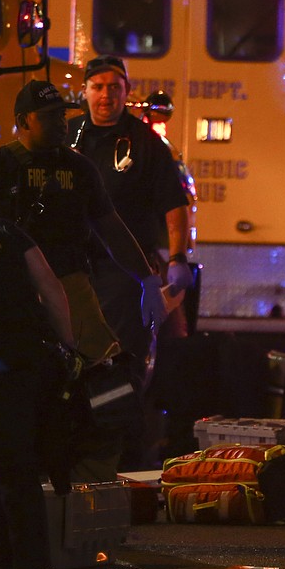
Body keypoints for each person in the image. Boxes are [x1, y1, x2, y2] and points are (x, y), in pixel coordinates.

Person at [0, 79, 167, 481]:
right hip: (13, 299)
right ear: (23, 121)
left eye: (64, 114)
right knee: (21, 387)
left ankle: (92, 485)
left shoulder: (78, 169)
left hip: (73, 288)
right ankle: (18, 482)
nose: (62, 122)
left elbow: (109, 226)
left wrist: (147, 280)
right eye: (50, 116)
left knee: (108, 384)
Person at [69, 55, 193, 468]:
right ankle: (74, 452)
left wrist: (177, 258)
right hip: (70, 271)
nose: (106, 95)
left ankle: (123, 461)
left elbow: (174, 206)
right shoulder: (68, 137)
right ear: (84, 91)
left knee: (121, 364)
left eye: (115, 87)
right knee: (71, 363)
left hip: (127, 276)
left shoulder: (145, 144)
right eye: (98, 86)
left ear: (126, 93)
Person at [0, 215, 77, 569]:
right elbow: (50, 287)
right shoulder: (3, 230)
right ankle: (11, 568)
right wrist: (70, 349)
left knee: (13, 470)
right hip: (41, 357)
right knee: (18, 467)